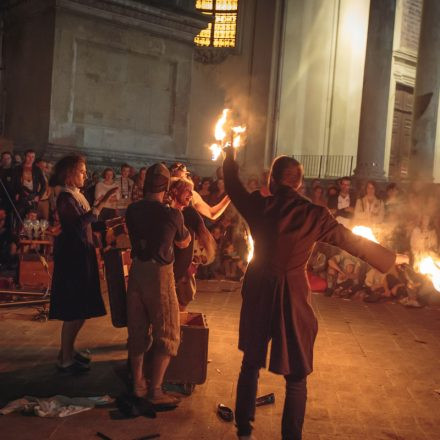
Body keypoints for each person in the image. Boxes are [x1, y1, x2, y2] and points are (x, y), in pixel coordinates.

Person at [222, 148, 396, 440]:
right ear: (299, 185)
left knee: (251, 361)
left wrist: (229, 158)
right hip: (292, 293)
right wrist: (389, 260)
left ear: (272, 182)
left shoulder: (258, 205)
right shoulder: (315, 215)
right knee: (297, 375)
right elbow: (351, 241)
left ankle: (243, 431)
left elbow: (233, 186)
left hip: (260, 287)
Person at [125, 163, 191, 406]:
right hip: (159, 275)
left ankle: (137, 385)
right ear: (167, 187)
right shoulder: (172, 214)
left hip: (136, 273)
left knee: (137, 330)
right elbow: (183, 243)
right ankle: (155, 389)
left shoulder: (132, 210)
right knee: (167, 330)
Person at [48, 154, 117, 373]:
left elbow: (90, 224)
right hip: (72, 260)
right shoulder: (65, 199)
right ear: (69, 174)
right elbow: (78, 225)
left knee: (82, 308)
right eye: (81, 171)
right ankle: (64, 360)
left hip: (82, 256)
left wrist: (113, 224)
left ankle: (67, 351)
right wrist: (100, 205)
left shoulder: (77, 196)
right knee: (73, 310)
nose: (84, 175)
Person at [168, 177, 215, 311]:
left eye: (192, 191)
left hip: (182, 272)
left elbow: (205, 237)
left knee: (181, 302)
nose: (190, 194)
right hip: (166, 270)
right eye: (187, 190)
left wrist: (194, 260)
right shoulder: (165, 211)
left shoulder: (189, 212)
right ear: (175, 191)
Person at [11, 149, 47, 222]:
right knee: (19, 218)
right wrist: (15, 194)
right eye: (29, 156)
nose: (31, 159)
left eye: (33, 157)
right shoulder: (17, 168)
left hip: (33, 198)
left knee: (31, 219)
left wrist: (39, 196)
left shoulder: (37, 169)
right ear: (25, 157)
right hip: (21, 197)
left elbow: (44, 184)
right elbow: (13, 183)